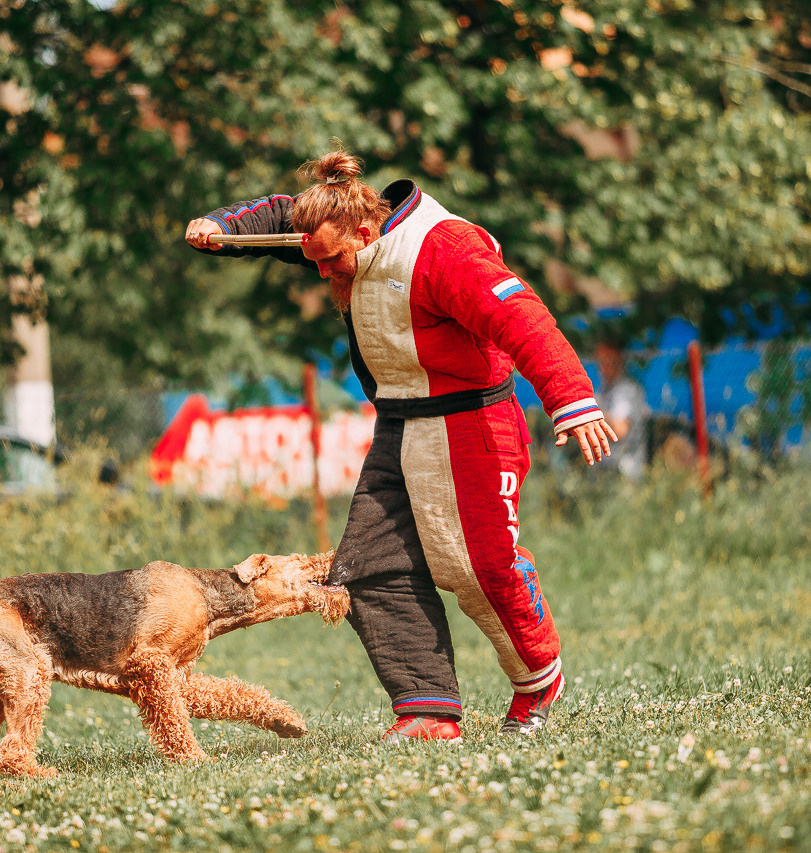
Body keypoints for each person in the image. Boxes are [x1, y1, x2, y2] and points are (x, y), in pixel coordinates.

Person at [185, 150, 617, 740]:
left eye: (332, 260)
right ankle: (429, 710)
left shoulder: (444, 250)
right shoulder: (336, 225)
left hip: (474, 423)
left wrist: (572, 399)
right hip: (400, 422)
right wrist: (223, 228)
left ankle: (537, 678)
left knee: (480, 568)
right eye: (312, 259)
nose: (322, 273)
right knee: (367, 567)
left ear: (366, 231)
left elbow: (523, 319)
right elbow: (281, 218)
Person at [591, 335, 650, 482]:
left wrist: (587, 413)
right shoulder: (603, 392)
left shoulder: (627, 390)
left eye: (609, 361)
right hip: (604, 472)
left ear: (620, 362)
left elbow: (620, 429)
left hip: (625, 472)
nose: (604, 367)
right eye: (601, 361)